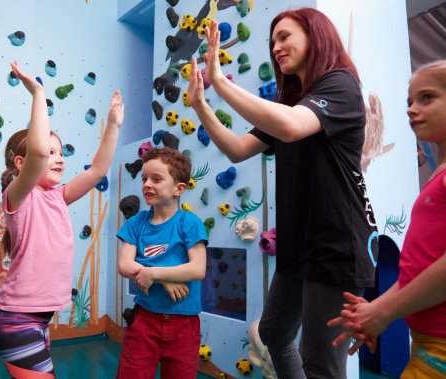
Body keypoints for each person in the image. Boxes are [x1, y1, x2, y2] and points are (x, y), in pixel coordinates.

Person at [187, 8, 378, 379]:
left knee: (321, 363)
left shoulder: (340, 86)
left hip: (335, 244)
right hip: (299, 243)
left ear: (316, 36)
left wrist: (221, 82)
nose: (276, 46)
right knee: (274, 332)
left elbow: (292, 128)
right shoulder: (291, 105)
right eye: (272, 40)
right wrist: (201, 104)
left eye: (285, 36)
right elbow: (238, 148)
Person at [0, 61, 124, 378]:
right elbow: (35, 154)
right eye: (51, 153)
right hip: (15, 321)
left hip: (37, 320)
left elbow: (97, 170)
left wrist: (113, 125)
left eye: (61, 152)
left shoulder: (56, 196)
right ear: (20, 163)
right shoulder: (19, 197)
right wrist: (38, 93)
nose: (59, 158)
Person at [328, 60, 446, 379]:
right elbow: (420, 270)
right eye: (409, 101)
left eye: (427, 98)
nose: (411, 109)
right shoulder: (438, 175)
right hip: (426, 346)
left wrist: (383, 310)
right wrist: (373, 312)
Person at [116, 147, 208, 379]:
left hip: (184, 325)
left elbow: (197, 269)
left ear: (179, 188)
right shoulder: (137, 222)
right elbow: (124, 265)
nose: (147, 184)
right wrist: (162, 279)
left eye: (156, 179)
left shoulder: (190, 223)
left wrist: (155, 274)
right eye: (144, 178)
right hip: (144, 320)